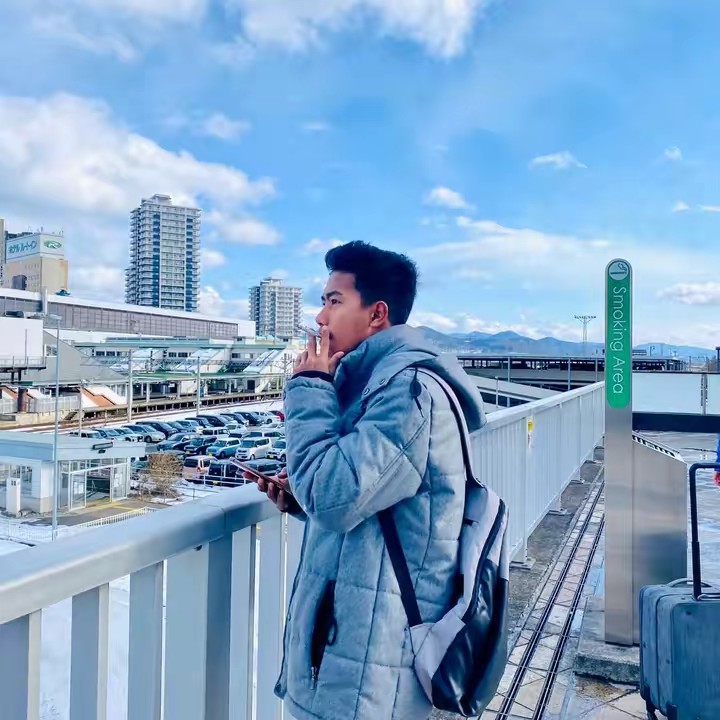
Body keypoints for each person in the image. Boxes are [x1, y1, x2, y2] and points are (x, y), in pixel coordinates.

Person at [253, 241, 487, 720]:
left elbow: (335, 499)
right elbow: (370, 498)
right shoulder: (378, 384)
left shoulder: (407, 391)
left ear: (377, 313)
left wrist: (309, 387)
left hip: (368, 665)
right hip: (355, 649)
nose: (320, 317)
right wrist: (302, 496)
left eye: (333, 301)